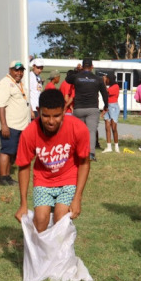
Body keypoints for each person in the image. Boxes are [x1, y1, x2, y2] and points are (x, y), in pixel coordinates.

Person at [14, 89, 91, 234]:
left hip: (68, 179)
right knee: (40, 221)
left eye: (56, 116)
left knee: (61, 219)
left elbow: (84, 163)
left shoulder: (78, 129)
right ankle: (41, 255)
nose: (50, 121)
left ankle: (60, 256)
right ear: (38, 111)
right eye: (45, 116)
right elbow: (24, 166)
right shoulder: (29, 133)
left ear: (64, 111)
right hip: (43, 180)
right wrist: (23, 203)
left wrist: (77, 198)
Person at [0, 61, 30, 186]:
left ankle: (8, 176)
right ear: (10, 70)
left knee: (13, 151)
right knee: (7, 150)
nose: (19, 73)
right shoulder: (4, 84)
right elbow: (1, 106)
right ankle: (3, 178)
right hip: (10, 125)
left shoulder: (19, 84)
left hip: (21, 125)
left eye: (21, 70)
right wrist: (4, 125)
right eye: (16, 70)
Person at [65, 58, 108, 162]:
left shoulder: (77, 77)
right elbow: (104, 93)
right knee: (91, 132)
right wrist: (106, 106)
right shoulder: (98, 79)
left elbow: (67, 79)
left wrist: (77, 70)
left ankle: (78, 153)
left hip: (79, 108)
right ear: (92, 66)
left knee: (79, 132)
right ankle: (91, 154)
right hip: (92, 108)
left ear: (83, 66)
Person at [102, 72, 121, 153]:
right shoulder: (110, 86)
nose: (106, 80)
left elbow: (106, 92)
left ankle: (116, 146)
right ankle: (109, 146)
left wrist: (103, 82)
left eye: (107, 79)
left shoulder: (115, 86)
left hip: (113, 107)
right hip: (108, 106)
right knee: (107, 127)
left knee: (114, 127)